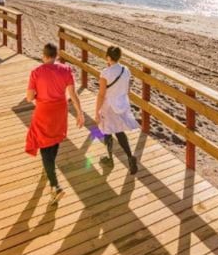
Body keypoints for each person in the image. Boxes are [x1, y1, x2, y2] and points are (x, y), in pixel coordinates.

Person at [25, 43, 84, 202]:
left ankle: (55, 186)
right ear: (56, 55)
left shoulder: (36, 72)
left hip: (44, 111)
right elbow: (72, 94)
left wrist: (37, 95)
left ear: (44, 56)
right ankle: (49, 169)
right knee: (55, 139)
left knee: (44, 144)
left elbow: (29, 98)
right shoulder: (66, 70)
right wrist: (80, 112)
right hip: (60, 111)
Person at [94, 45, 139, 174]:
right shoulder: (126, 70)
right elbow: (127, 90)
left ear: (108, 57)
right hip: (122, 105)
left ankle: (109, 159)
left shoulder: (105, 73)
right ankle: (130, 157)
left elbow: (101, 94)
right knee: (119, 132)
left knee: (107, 131)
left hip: (109, 107)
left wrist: (97, 111)